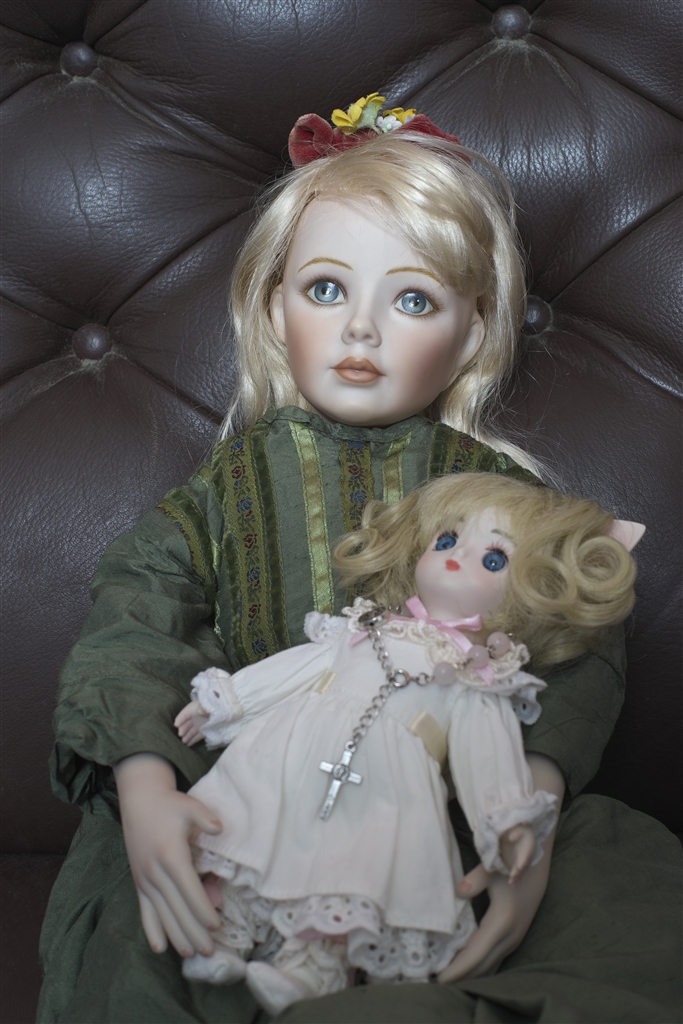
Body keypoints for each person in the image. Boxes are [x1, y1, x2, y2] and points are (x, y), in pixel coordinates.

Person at [38, 97, 681, 1024]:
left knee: (632, 914)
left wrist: (530, 811)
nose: (361, 331)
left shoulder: (504, 497)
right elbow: (134, 622)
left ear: (471, 330)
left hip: (456, 804)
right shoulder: (220, 494)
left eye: (412, 299)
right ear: (274, 306)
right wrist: (143, 786)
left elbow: (580, 642)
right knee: (146, 948)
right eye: (326, 289)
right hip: (247, 802)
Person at [171, 473, 639, 1017]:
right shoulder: (365, 626)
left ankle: (315, 965)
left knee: (352, 868)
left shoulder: (478, 674)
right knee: (251, 825)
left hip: (388, 785)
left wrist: (506, 818)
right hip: (290, 752)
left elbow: (486, 752)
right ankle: (221, 935)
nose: (457, 558)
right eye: (448, 540)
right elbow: (298, 669)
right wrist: (228, 701)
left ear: (534, 589)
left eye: (493, 559)